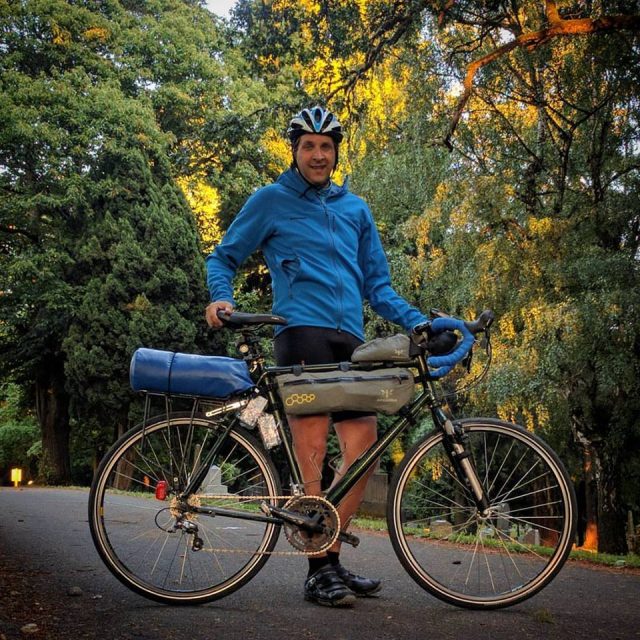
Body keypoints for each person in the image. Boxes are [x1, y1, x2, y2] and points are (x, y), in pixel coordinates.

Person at [205, 106, 428, 607]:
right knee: (312, 452)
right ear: (295, 150)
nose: (318, 154)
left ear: (335, 152)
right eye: (309, 145)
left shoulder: (355, 209)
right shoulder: (271, 200)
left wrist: (417, 321)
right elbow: (223, 256)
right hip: (300, 332)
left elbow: (379, 287)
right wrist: (221, 295)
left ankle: (326, 552)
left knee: (364, 448)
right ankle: (318, 571)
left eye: (326, 146)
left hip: (352, 340)